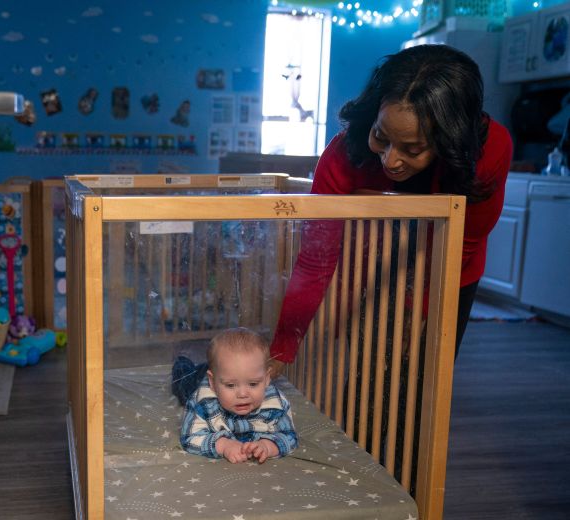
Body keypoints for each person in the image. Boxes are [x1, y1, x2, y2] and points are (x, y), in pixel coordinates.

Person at [269, 44, 513, 378]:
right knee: (366, 371)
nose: (391, 160)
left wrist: (419, 307)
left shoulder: (488, 149)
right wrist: (283, 345)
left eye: (412, 149)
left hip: (451, 265)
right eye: (381, 137)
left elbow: (464, 243)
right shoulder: (343, 154)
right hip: (373, 264)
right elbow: (316, 258)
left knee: (420, 377)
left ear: (449, 141)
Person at [177, 328, 298, 463]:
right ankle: (183, 363)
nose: (242, 394)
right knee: (184, 384)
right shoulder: (203, 402)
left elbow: (289, 436)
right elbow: (189, 438)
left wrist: (268, 446)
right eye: (230, 385)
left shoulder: (276, 404)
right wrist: (223, 445)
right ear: (212, 382)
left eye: (253, 384)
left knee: (225, 371)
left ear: (267, 378)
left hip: (221, 374)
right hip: (196, 382)